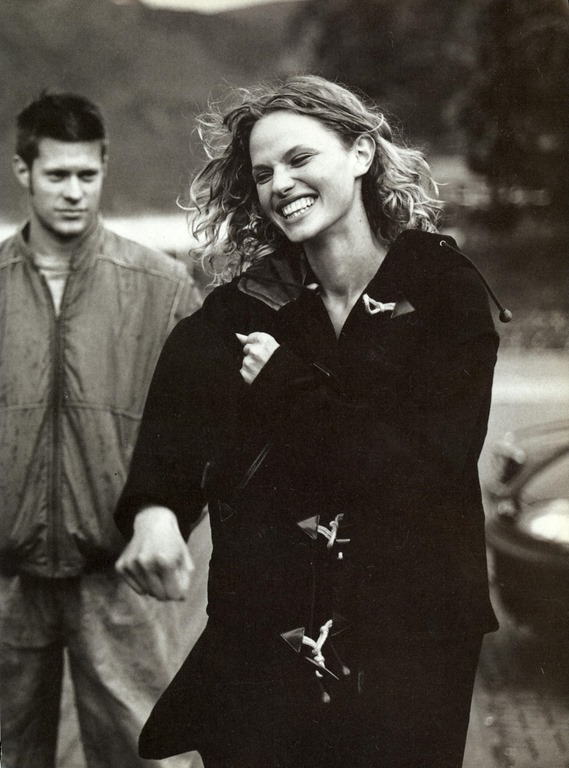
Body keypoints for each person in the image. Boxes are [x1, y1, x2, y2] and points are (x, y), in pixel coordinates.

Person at [115, 75, 507, 768]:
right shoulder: (246, 307)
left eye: (299, 159)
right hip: (263, 638)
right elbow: (180, 411)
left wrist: (286, 387)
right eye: (263, 172)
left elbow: (425, 466)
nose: (280, 184)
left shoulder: (445, 293)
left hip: (412, 636)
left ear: (361, 154)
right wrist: (154, 511)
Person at [0, 91, 204, 768]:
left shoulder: (164, 287)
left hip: (118, 581)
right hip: (6, 582)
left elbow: (200, 428)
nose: (73, 192)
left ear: (104, 167)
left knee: (150, 753)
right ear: (23, 170)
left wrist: (168, 517)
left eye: (87, 175)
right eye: (57, 175)